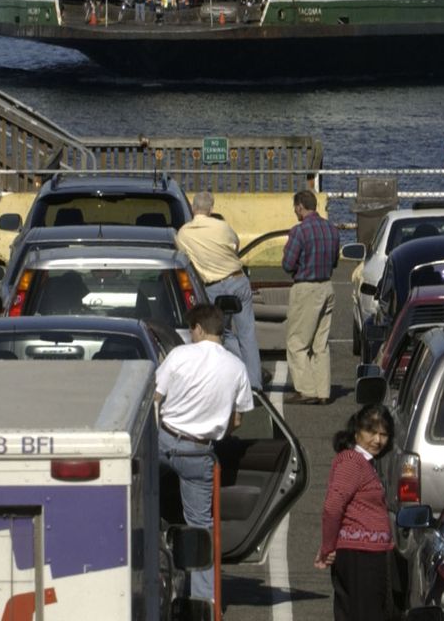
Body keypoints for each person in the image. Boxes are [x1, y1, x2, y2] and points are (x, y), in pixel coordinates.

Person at [154, 303, 253, 613]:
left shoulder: (179, 355)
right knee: (200, 527)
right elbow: (237, 420)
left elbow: (155, 398)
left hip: (163, 441)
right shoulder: (236, 367)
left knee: (140, 507)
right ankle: (204, 600)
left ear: (197, 328)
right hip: (198, 453)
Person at [315, 404, 395, 621]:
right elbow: (333, 506)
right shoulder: (352, 461)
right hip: (360, 556)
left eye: (384, 434)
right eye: (371, 432)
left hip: (365, 554)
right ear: (356, 430)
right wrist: (328, 546)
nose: (377, 440)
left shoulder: (364, 463)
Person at [178, 192, 262, 390]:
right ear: (211, 209)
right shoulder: (222, 227)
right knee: (247, 332)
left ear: (192, 209)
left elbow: (184, 258)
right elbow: (235, 245)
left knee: (222, 332)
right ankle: (255, 383)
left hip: (212, 286)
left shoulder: (183, 233)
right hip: (236, 279)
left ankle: (238, 375)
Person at [282, 189, 339, 404]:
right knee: (320, 344)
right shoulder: (331, 229)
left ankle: (306, 390)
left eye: (295, 208)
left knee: (297, 342)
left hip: (306, 287)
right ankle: (323, 391)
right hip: (327, 286)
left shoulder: (299, 231)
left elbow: (288, 264)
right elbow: (335, 261)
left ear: (299, 207)